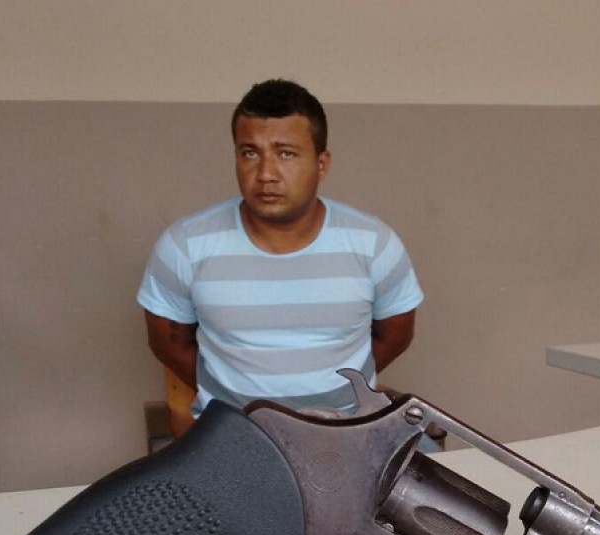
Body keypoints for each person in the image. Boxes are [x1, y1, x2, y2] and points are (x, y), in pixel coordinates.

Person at [137, 79, 423, 423]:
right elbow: (168, 344)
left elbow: (395, 336)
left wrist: (334, 396)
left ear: (321, 164)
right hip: (232, 435)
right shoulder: (184, 245)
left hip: (347, 432)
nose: (265, 174)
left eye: (286, 154)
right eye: (250, 153)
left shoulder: (374, 243)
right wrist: (232, 399)